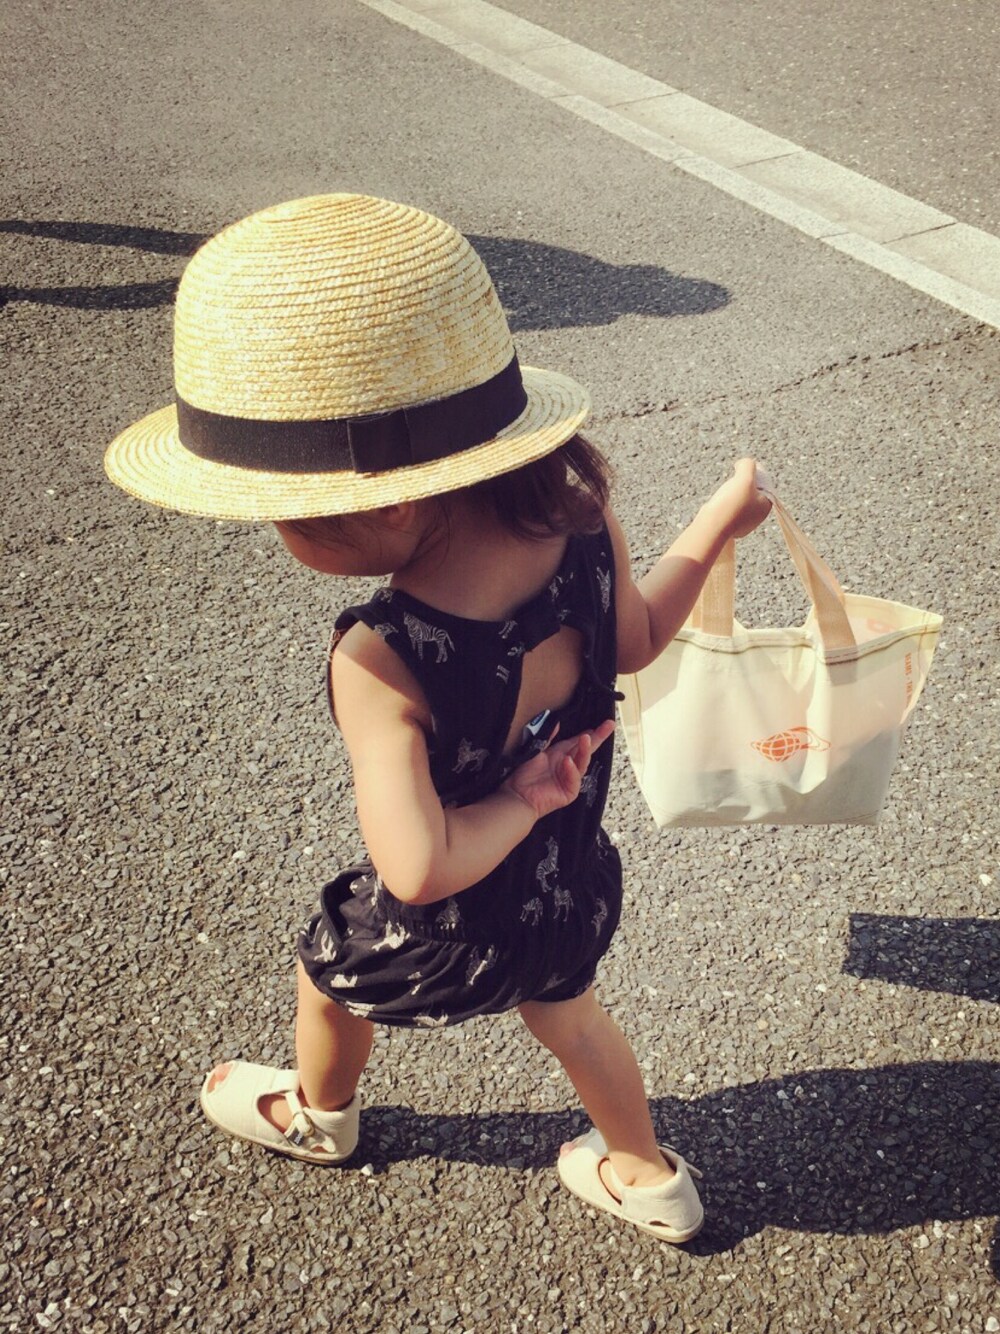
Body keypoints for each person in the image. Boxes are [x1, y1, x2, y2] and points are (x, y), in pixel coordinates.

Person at [104, 192, 770, 1244]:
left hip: (450, 927)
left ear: (390, 502)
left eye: (283, 511)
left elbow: (417, 870)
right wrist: (719, 522)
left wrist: (518, 797)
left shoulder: (381, 657)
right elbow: (638, 639)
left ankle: (321, 1116)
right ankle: (649, 1177)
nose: (276, 529)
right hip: (567, 884)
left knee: (326, 976)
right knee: (572, 1020)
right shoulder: (578, 513)